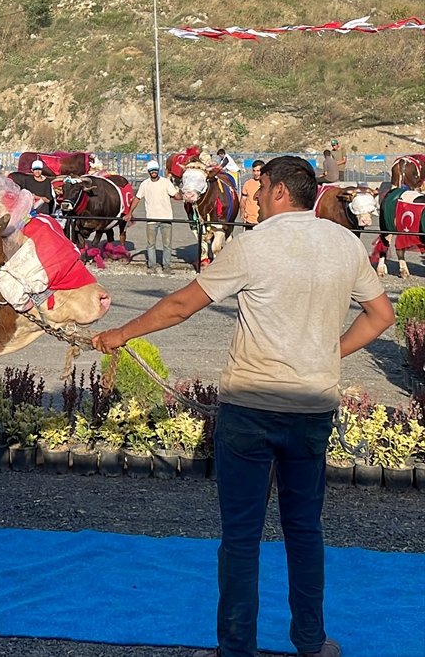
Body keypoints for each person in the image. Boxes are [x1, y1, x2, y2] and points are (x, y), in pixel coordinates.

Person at [92, 156, 394, 657]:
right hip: (312, 409)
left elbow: (181, 304)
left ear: (278, 192)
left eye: (258, 190)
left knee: (240, 537)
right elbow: (380, 315)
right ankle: (311, 641)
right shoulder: (344, 243)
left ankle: (237, 649)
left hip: (250, 410)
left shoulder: (252, 244)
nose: (250, 198)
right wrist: (328, 351)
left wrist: (120, 333)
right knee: (304, 530)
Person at [127, 159, 179, 274]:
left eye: (155, 170)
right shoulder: (145, 184)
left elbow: (176, 195)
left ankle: (166, 266)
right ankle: (152, 266)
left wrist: (185, 195)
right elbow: (137, 198)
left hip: (166, 219)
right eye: (151, 170)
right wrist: (130, 212)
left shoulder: (166, 182)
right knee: (151, 244)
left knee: (167, 244)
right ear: (149, 172)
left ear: (158, 170)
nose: (153, 172)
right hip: (151, 219)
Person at [240, 160, 264, 226]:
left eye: (258, 171)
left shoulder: (268, 184)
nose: (255, 173)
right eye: (254, 171)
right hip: (249, 220)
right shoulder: (247, 184)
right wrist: (242, 211)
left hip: (263, 221)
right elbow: (243, 199)